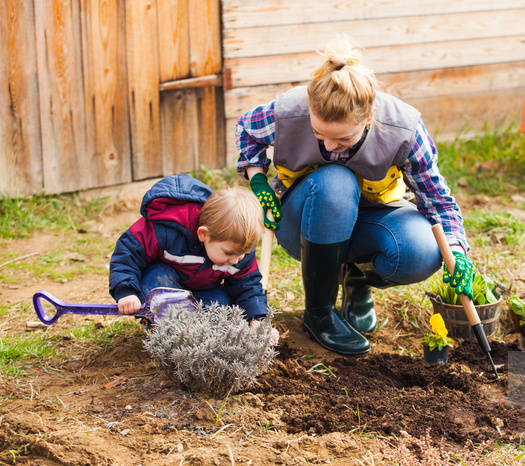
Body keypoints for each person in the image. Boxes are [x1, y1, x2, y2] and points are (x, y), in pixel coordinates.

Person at [236, 36, 474, 355]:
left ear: (369, 117)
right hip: (303, 224)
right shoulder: (287, 112)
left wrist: (456, 250)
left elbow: (437, 201)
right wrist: (259, 181)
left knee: (421, 250)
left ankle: (358, 280)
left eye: (343, 139)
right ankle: (319, 312)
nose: (330, 148)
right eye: (320, 136)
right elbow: (247, 131)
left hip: (370, 219)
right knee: (335, 178)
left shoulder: (403, 129)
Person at [109, 174, 269, 323]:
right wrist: (126, 291)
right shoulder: (167, 230)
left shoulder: (239, 248)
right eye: (228, 253)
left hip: (200, 290)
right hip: (164, 282)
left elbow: (248, 286)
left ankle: (193, 327)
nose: (235, 260)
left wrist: (257, 319)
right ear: (204, 234)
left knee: (225, 307)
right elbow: (128, 252)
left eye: (244, 253)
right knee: (157, 281)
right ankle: (165, 324)